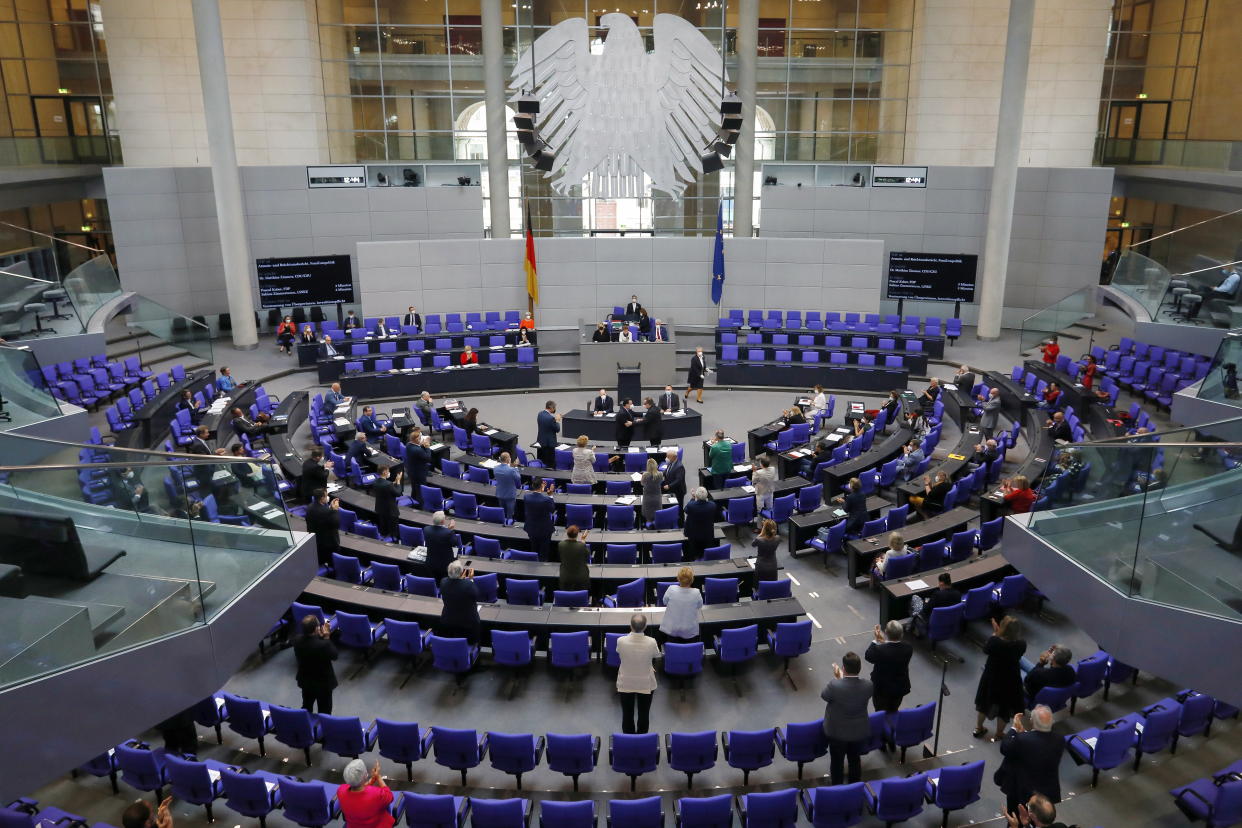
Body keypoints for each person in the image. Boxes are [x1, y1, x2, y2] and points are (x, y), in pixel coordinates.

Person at [996, 709, 1064, 816]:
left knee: (1016, 817)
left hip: (1021, 790)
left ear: (1032, 721)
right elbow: (1038, 747)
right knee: (1039, 819)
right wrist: (1024, 735)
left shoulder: (1023, 740)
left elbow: (1005, 748)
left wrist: (1014, 728)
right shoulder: (1059, 739)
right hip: (1046, 791)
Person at [821, 651, 873, 786]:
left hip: (837, 733)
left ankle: (837, 786)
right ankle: (854, 786)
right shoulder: (868, 685)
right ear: (859, 668)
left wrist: (839, 679)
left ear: (843, 668)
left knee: (837, 762)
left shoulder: (834, 685)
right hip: (859, 732)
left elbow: (824, 696)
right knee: (855, 760)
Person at [975, 615, 1028, 741]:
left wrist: (995, 634)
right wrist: (999, 634)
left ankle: (979, 728)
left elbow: (986, 649)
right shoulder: (1021, 644)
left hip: (992, 677)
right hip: (1010, 679)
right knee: (1004, 708)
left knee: (984, 703)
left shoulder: (995, 641)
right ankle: (999, 733)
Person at [616, 613, 659, 734]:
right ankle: (642, 738)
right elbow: (656, 655)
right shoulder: (651, 642)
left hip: (625, 683)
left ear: (630, 626)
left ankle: (628, 738)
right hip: (646, 683)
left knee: (627, 714)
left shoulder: (621, 641)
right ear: (645, 627)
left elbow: (619, 652)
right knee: (644, 714)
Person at [866, 621, 914, 726]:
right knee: (893, 710)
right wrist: (883, 643)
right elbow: (892, 650)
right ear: (901, 634)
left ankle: (882, 735)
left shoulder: (880, 650)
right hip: (899, 688)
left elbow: (868, 656)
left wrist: (876, 640)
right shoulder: (908, 648)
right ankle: (891, 731)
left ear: (886, 632)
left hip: (881, 690)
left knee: (879, 713)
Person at [294, 614, 339, 714]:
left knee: (306, 706)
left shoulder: (297, 640)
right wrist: (327, 636)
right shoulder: (324, 645)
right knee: (324, 711)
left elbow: (311, 642)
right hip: (323, 685)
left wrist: (320, 636)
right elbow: (334, 655)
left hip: (305, 681)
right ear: (316, 629)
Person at [338, 758, 394, 828]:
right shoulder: (376, 794)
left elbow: (357, 786)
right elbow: (390, 796)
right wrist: (378, 777)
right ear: (365, 776)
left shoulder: (341, 790)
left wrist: (371, 781)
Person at [437, 560, 480, 644]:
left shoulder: (443, 582)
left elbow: (456, 585)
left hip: (448, 621)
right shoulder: (468, 585)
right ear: (461, 573)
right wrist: (470, 580)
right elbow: (476, 595)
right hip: (468, 623)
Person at [661, 567, 703, 643]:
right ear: (692, 580)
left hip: (672, 630)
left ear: (678, 578)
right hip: (690, 631)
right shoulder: (696, 592)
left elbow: (664, 602)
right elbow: (699, 606)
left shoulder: (671, 589)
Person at [913, 572, 962, 637]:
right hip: (950, 622)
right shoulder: (958, 594)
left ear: (941, 583)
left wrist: (925, 602)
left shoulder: (937, 595)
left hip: (933, 622)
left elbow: (925, 610)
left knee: (914, 598)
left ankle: (914, 628)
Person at [306, 489, 341, 567]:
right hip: (328, 544)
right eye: (326, 496)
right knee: (332, 563)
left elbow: (324, 518)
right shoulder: (326, 512)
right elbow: (336, 524)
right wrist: (335, 510)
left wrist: (330, 508)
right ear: (322, 498)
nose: (327, 497)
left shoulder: (310, 507)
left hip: (316, 540)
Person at [524, 480, 557, 559]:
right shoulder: (546, 499)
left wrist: (542, 488)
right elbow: (552, 509)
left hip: (531, 528)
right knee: (544, 551)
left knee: (534, 549)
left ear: (532, 485)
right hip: (544, 529)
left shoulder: (526, 497)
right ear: (542, 486)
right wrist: (550, 495)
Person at [683, 487, 717, 561]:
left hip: (694, 536)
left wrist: (692, 498)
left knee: (694, 553)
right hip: (707, 535)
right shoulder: (712, 506)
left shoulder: (691, 506)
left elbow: (685, 509)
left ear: (697, 496)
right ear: (706, 496)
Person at [424, 511, 457, 583]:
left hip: (431, 563)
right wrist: (451, 529)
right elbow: (454, 543)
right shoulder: (449, 533)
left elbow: (439, 534)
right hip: (445, 565)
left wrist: (447, 530)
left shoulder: (426, 529)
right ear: (443, 521)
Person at [372, 464, 402, 540]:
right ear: (384, 472)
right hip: (391, 511)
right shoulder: (388, 485)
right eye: (388, 471)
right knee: (393, 532)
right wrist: (398, 482)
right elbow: (398, 493)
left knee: (384, 529)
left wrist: (394, 482)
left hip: (380, 509)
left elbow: (387, 487)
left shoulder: (375, 482)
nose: (389, 472)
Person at [557, 525, 591, 591]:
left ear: (567, 533)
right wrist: (583, 540)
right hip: (581, 579)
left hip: (565, 578)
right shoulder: (581, 546)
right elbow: (587, 557)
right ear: (577, 535)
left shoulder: (561, 545)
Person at [494, 452, 522, 521]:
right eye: (509, 457)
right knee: (510, 514)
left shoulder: (495, 468)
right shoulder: (512, 470)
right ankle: (508, 526)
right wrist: (515, 467)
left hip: (500, 493)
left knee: (502, 512)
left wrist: (510, 466)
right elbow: (518, 478)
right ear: (507, 459)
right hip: (510, 495)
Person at [404, 432, 430, 497]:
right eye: (420, 438)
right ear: (417, 440)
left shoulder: (408, 444)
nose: (422, 439)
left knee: (414, 489)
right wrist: (427, 447)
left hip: (411, 471)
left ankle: (414, 501)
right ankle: (420, 505)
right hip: (419, 473)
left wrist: (422, 445)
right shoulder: (418, 450)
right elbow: (427, 458)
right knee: (421, 491)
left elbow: (418, 448)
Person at [536, 400, 560, 468]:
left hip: (541, 441)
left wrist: (554, 420)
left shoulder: (540, 414)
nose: (555, 409)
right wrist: (557, 420)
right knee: (550, 463)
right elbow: (557, 429)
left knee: (542, 460)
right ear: (550, 407)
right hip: (549, 444)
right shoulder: (551, 418)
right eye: (554, 407)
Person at [641, 457, 663, 525]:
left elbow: (642, 483)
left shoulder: (645, 475)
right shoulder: (660, 474)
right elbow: (661, 481)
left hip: (647, 500)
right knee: (657, 516)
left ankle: (649, 530)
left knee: (648, 519)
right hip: (657, 499)